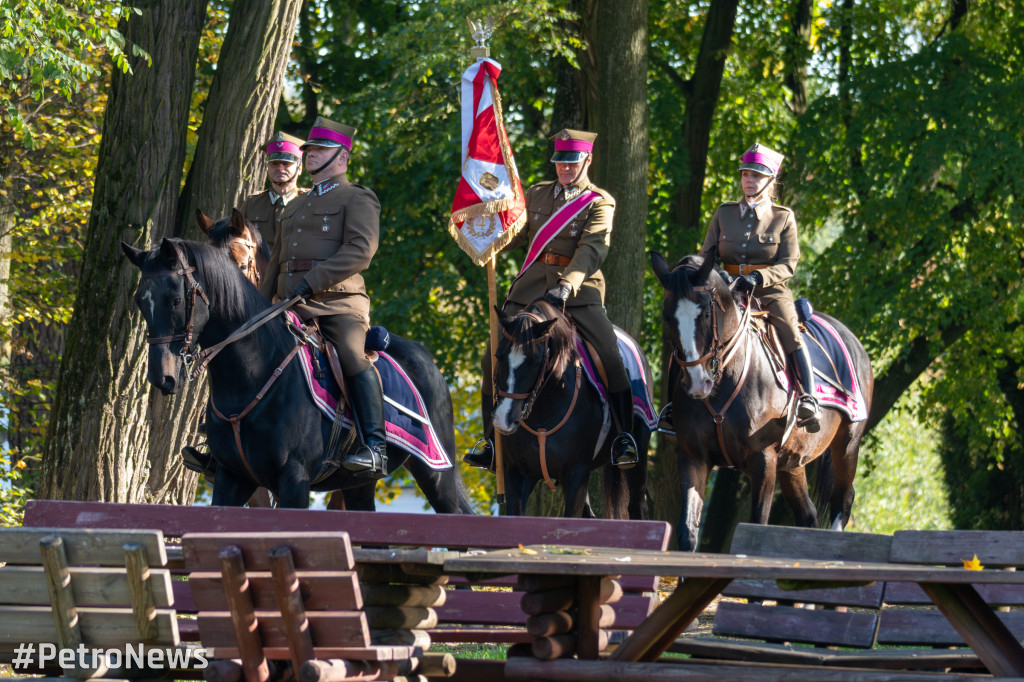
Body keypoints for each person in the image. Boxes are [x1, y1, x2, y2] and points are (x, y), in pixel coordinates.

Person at [464, 128, 640, 471]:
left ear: (587, 160)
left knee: (610, 356)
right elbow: (518, 235)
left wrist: (567, 285)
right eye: (560, 162)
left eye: (572, 162)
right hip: (529, 291)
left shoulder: (599, 201)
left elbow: (593, 249)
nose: (565, 168)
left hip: (578, 293)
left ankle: (623, 436)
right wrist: (487, 226)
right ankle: (490, 440)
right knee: (492, 360)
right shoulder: (537, 194)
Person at [260, 116, 388, 478]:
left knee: (351, 355)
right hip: (287, 305)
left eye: (320, 149)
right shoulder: (294, 206)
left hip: (337, 304)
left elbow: (361, 251)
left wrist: (311, 281)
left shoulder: (357, 197)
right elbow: (276, 265)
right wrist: (256, 305)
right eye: (309, 149)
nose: (311, 154)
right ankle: (222, 440)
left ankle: (375, 446)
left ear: (342, 157)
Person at [699, 142, 820, 431]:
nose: (749, 181)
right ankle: (673, 406)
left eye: (756, 176)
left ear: (770, 181)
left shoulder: (783, 217)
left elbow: (788, 263)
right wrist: (718, 277)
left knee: (790, 330)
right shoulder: (724, 213)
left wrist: (757, 279)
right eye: (745, 175)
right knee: (690, 328)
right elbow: (706, 256)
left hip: (768, 292)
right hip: (725, 289)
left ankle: (808, 397)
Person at [241, 131, 307, 253]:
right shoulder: (252, 203)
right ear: (267, 167)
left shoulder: (311, 202)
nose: (280, 168)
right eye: (274, 163)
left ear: (299, 168)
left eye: (286, 164)